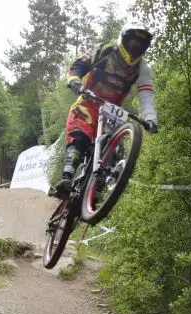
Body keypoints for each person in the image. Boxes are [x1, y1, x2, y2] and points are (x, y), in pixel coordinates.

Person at [53, 21, 158, 198]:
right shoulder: (104, 50)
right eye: (132, 43)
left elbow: (146, 95)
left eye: (139, 46)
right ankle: (66, 178)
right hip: (87, 103)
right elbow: (78, 66)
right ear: (123, 40)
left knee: (115, 150)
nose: (134, 49)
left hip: (112, 112)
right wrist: (75, 81)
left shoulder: (142, 69)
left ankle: (98, 190)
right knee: (80, 136)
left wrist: (150, 118)